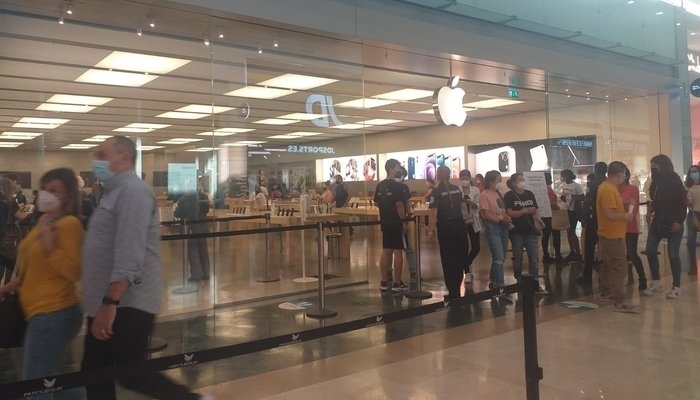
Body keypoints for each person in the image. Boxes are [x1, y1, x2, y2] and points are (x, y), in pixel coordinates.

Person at [80, 136, 214, 400]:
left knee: (131, 373)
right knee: (95, 373)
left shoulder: (133, 192)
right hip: (107, 302)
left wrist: (109, 303)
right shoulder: (113, 193)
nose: (98, 162)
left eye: (102, 155)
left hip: (125, 304)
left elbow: (130, 252)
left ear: (124, 157)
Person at [0, 167, 86, 400]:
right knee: (48, 380)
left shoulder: (69, 225)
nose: (46, 194)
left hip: (54, 312)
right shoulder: (45, 222)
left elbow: (74, 271)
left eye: (54, 190)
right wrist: (8, 287)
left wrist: (50, 248)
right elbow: (31, 268)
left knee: (35, 382)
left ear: (67, 195)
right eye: (45, 189)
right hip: (38, 313)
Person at [643, 154, 687, 299]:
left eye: (655, 165)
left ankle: (676, 286)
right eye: (651, 165)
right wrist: (650, 211)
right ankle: (656, 282)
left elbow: (682, 203)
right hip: (658, 220)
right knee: (650, 250)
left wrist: (679, 221)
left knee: (673, 254)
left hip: (674, 221)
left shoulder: (675, 180)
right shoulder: (655, 182)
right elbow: (655, 200)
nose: (652, 168)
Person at [596, 161, 637, 312]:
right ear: (619, 174)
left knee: (609, 264)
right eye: (624, 174)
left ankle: (606, 291)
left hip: (612, 233)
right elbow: (609, 213)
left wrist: (625, 205)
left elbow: (613, 208)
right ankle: (619, 300)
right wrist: (625, 216)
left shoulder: (610, 188)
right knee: (619, 267)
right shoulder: (607, 189)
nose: (624, 177)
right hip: (612, 234)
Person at [504, 173, 548, 294]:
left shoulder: (529, 194)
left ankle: (534, 283)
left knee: (534, 257)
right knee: (518, 257)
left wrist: (539, 219)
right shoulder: (509, 196)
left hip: (530, 230)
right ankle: (518, 280)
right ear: (513, 183)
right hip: (516, 231)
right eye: (520, 180)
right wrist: (524, 211)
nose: (523, 181)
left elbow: (535, 209)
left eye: (523, 179)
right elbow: (510, 213)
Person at [429, 166, 469, 299]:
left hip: (446, 227)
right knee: (459, 257)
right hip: (459, 225)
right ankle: (457, 287)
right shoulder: (456, 189)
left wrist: (430, 229)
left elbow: (434, 212)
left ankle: (452, 291)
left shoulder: (436, 191)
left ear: (438, 176)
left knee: (448, 259)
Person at [374, 159, 409, 292]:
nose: (399, 169)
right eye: (398, 167)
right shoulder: (397, 186)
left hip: (385, 221)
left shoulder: (380, 185)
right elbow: (399, 205)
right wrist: (404, 221)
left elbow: (377, 203)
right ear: (391, 168)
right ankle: (397, 283)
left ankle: (383, 281)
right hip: (395, 222)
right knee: (398, 251)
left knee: (386, 250)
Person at [480, 170, 512, 292]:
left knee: (501, 256)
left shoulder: (499, 193)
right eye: (498, 180)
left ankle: (493, 280)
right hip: (493, 227)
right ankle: (500, 284)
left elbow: (500, 210)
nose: (500, 182)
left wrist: (506, 217)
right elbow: (485, 213)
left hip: (503, 226)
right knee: (498, 257)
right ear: (491, 181)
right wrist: (499, 220)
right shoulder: (484, 194)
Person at [576, 162, 607, 283]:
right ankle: (604, 275)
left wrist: (583, 217)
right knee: (606, 246)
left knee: (589, 246)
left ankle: (587, 274)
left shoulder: (592, 183)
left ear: (595, 170)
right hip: (606, 217)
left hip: (593, 217)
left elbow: (588, 201)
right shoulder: (608, 183)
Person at [619, 166, 647, 291]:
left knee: (632, 253)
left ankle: (642, 278)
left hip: (630, 227)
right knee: (616, 255)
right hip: (615, 227)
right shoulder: (612, 189)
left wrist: (623, 208)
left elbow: (633, 209)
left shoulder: (632, 189)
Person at [175, 189, 211, 282]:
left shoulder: (183, 198)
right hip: (202, 227)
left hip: (190, 228)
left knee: (192, 251)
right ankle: (206, 273)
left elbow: (177, 213)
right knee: (203, 250)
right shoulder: (203, 196)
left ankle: (195, 274)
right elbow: (206, 210)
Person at [458, 170, 481, 284]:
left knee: (476, 247)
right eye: (462, 178)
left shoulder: (475, 190)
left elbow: (478, 205)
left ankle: (466, 263)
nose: (465, 180)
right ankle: (466, 272)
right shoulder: (457, 190)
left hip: (473, 220)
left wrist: (471, 203)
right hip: (461, 222)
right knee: (463, 247)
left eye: (466, 177)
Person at [559, 169, 583, 262]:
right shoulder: (564, 185)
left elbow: (582, 197)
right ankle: (572, 251)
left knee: (572, 231)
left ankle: (578, 252)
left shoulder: (577, 186)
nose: (562, 177)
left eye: (563, 175)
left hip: (574, 211)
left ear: (568, 175)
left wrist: (572, 197)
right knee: (569, 231)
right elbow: (563, 195)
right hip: (566, 209)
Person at [541, 172, 563, 264]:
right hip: (551, 215)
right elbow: (551, 203)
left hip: (544, 215)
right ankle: (557, 255)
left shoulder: (541, 189)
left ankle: (546, 255)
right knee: (556, 235)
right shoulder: (548, 189)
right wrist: (557, 207)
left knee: (545, 235)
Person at [684, 164, 700, 276]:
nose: (694, 173)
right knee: (691, 239)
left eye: (696, 171)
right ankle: (692, 264)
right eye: (691, 172)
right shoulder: (687, 185)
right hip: (693, 214)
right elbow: (687, 202)